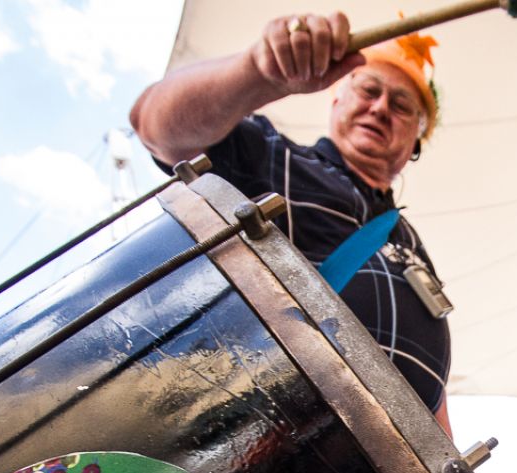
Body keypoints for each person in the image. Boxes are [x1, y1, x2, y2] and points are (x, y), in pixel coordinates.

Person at [131, 13, 456, 433]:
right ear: (337, 99)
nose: (380, 108)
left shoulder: (409, 237)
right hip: (269, 428)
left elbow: (433, 383)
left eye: (401, 106)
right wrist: (258, 71)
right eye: (368, 91)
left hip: (388, 467)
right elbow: (155, 125)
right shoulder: (276, 156)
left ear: (416, 139)